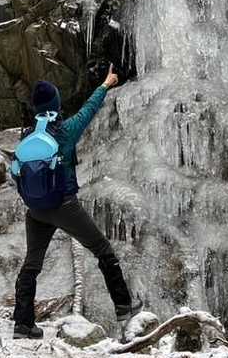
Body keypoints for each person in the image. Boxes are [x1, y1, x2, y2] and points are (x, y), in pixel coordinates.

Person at [13, 64, 138, 339]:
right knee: (103, 251)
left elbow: (17, 171)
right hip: (64, 206)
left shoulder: (27, 135)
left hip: (36, 210)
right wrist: (105, 84)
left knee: (31, 265)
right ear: (56, 105)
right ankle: (124, 307)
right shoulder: (65, 130)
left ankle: (22, 323)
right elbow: (88, 110)